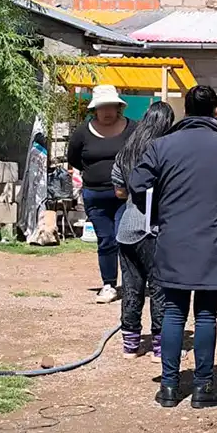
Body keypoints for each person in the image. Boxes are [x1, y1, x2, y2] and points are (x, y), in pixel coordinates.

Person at [129, 85, 217, 409]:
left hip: (174, 239)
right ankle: (202, 388)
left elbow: (136, 183)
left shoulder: (161, 145)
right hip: (215, 239)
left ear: (185, 110)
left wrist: (155, 213)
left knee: (173, 311)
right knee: (206, 314)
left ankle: (169, 387)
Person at [111, 101, 175, 359]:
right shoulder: (165, 150)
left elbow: (119, 190)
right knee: (159, 287)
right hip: (154, 229)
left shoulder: (126, 149)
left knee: (131, 287)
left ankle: (130, 345)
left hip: (127, 227)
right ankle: (160, 347)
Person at [67, 84, 135, 303]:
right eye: (102, 107)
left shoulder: (133, 129)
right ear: (94, 109)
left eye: (111, 106)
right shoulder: (82, 132)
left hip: (124, 196)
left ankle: (132, 283)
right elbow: (74, 158)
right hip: (94, 195)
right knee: (105, 240)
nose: (107, 112)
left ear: (118, 107)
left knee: (124, 238)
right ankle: (109, 284)